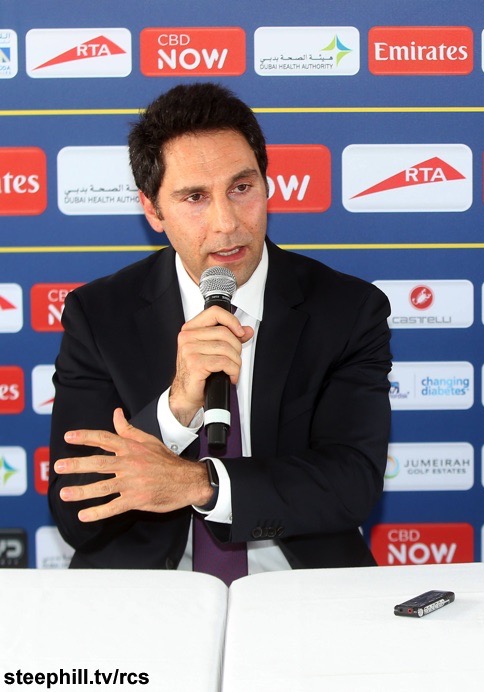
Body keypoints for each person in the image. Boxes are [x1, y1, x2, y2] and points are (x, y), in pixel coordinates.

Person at [48, 83, 392, 578]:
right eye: (195, 197)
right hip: (152, 590)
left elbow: (351, 484)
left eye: (241, 188)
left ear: (266, 185)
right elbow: (77, 511)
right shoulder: (100, 315)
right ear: (152, 210)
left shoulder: (347, 309)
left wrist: (201, 484)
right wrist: (175, 408)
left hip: (296, 585)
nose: (226, 223)